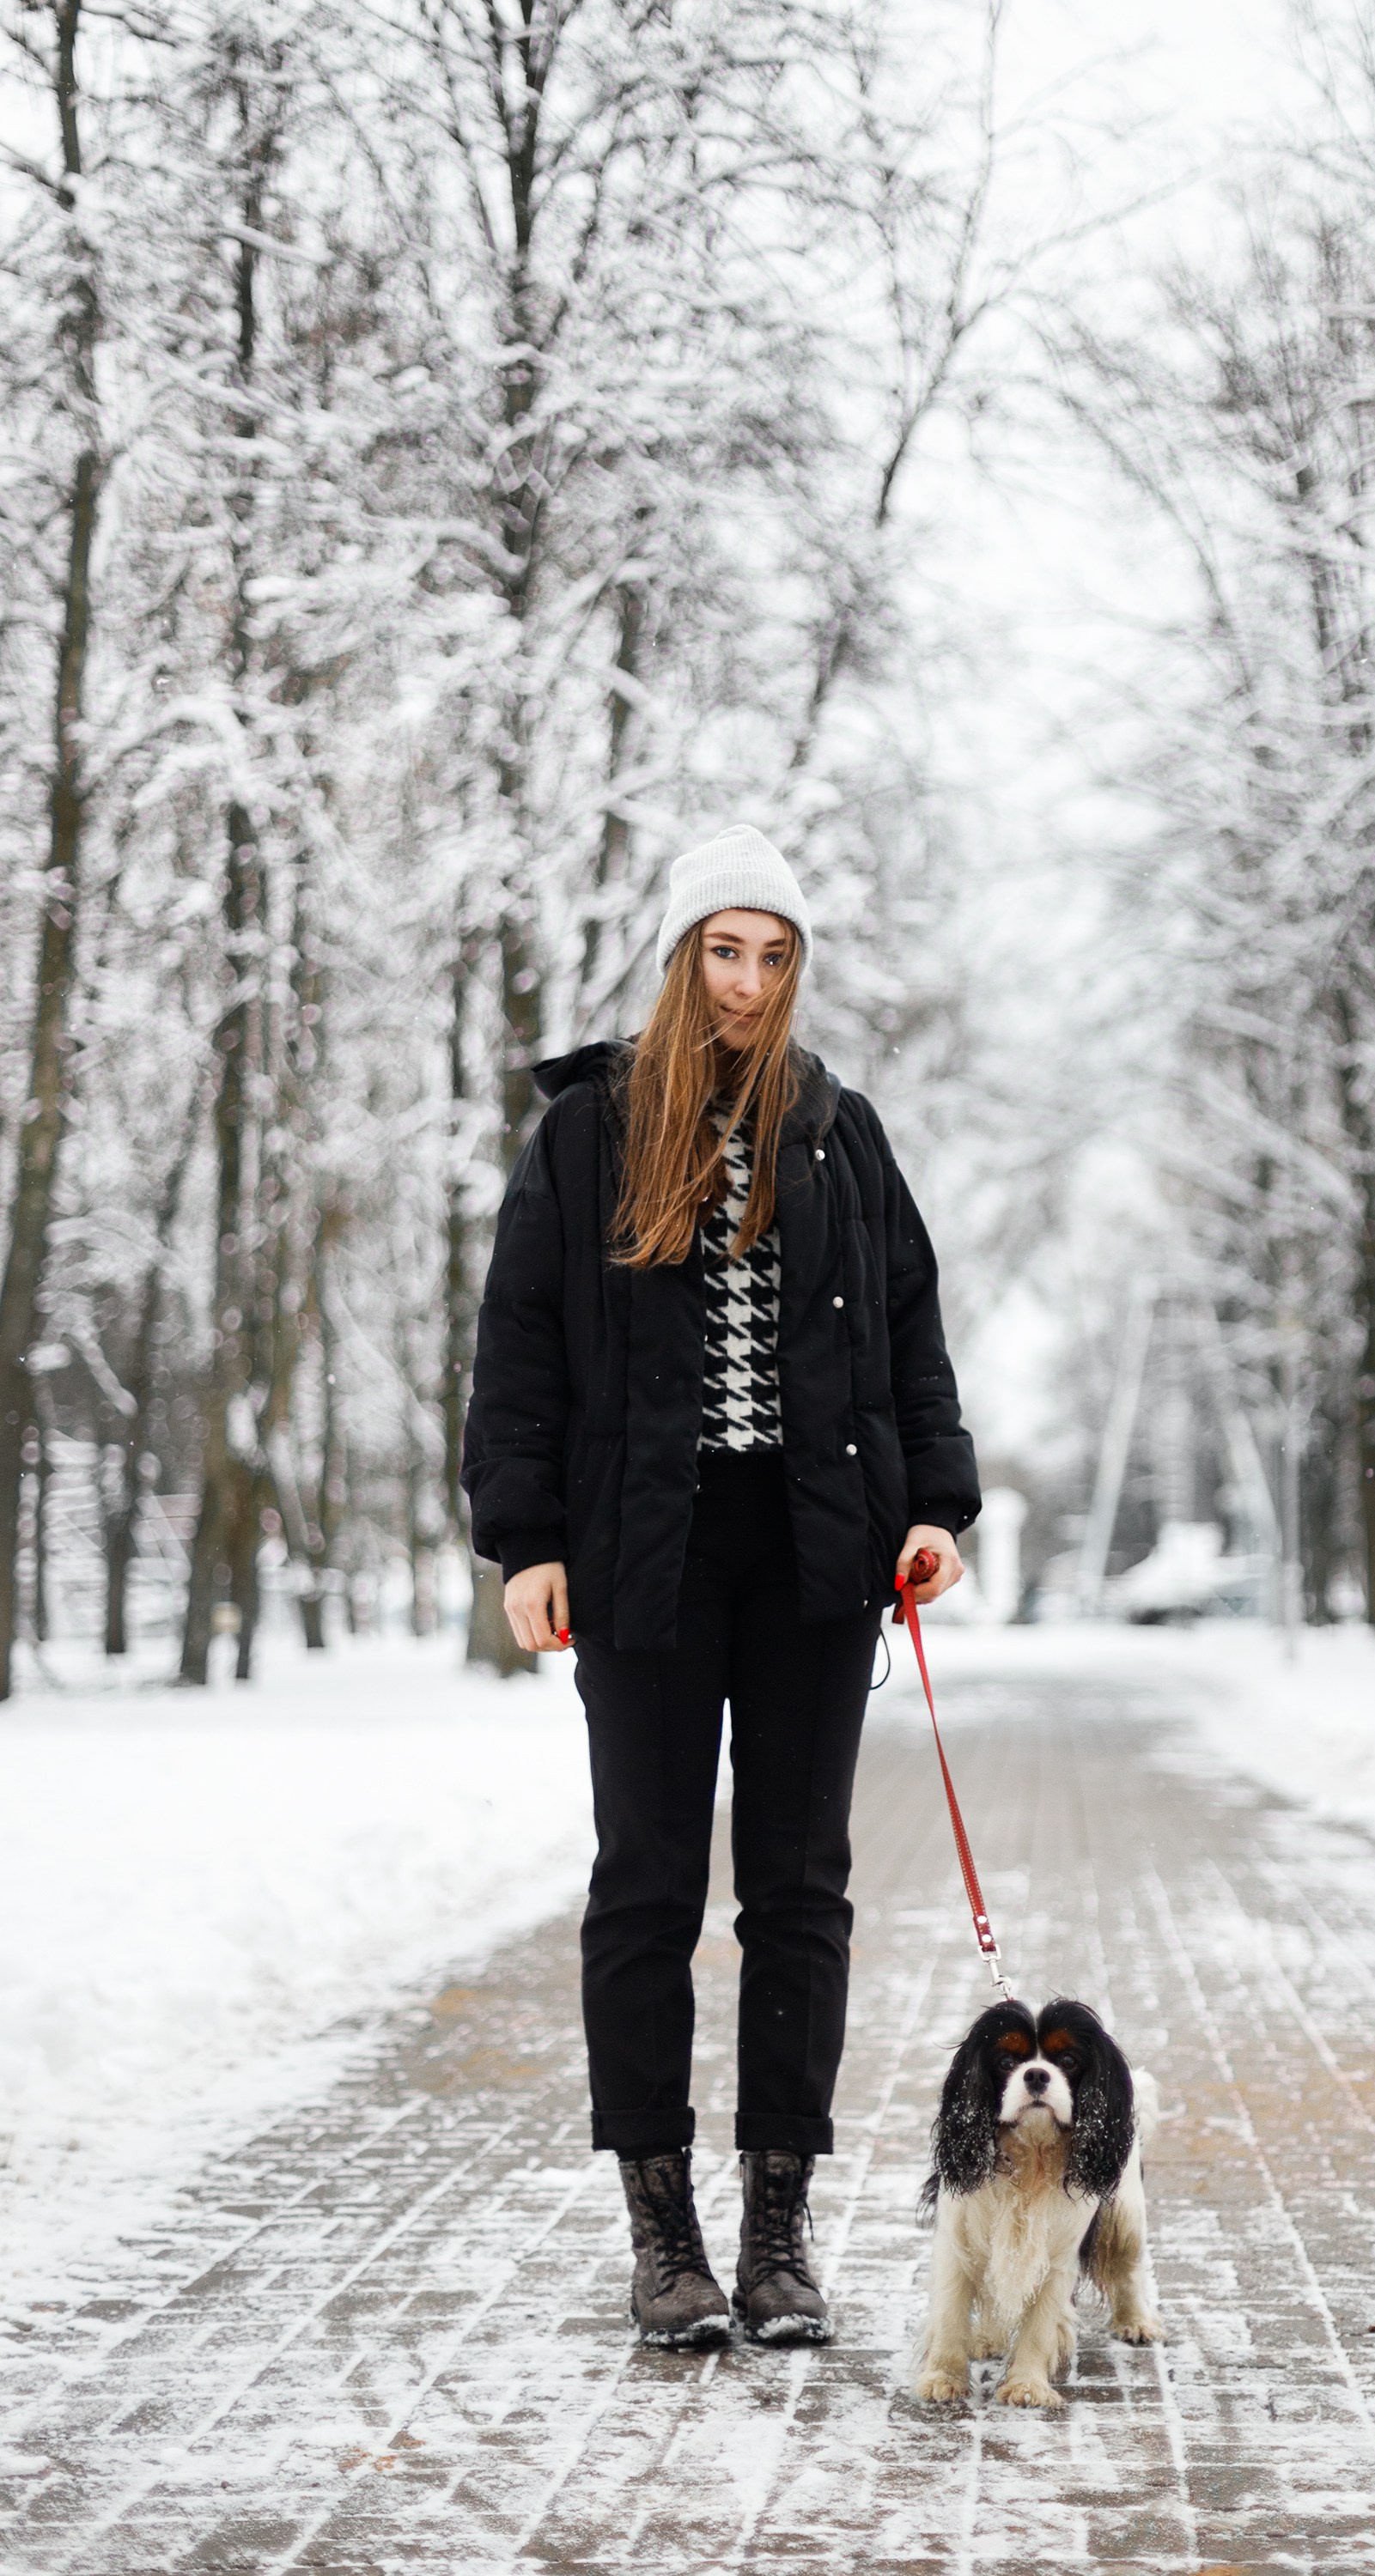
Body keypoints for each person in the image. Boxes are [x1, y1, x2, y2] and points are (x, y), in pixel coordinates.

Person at [461, 824, 980, 2348]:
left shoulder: (840, 1130)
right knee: (646, 1887)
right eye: (722, 951)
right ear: (681, 959)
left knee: (799, 1891)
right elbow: (520, 1343)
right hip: (645, 1554)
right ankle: (663, 2235)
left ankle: (776, 2233)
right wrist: (527, 1538)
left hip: (814, 1551)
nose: (747, 983)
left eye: (772, 956)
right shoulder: (591, 1132)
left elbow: (909, 1328)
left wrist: (934, 1504)